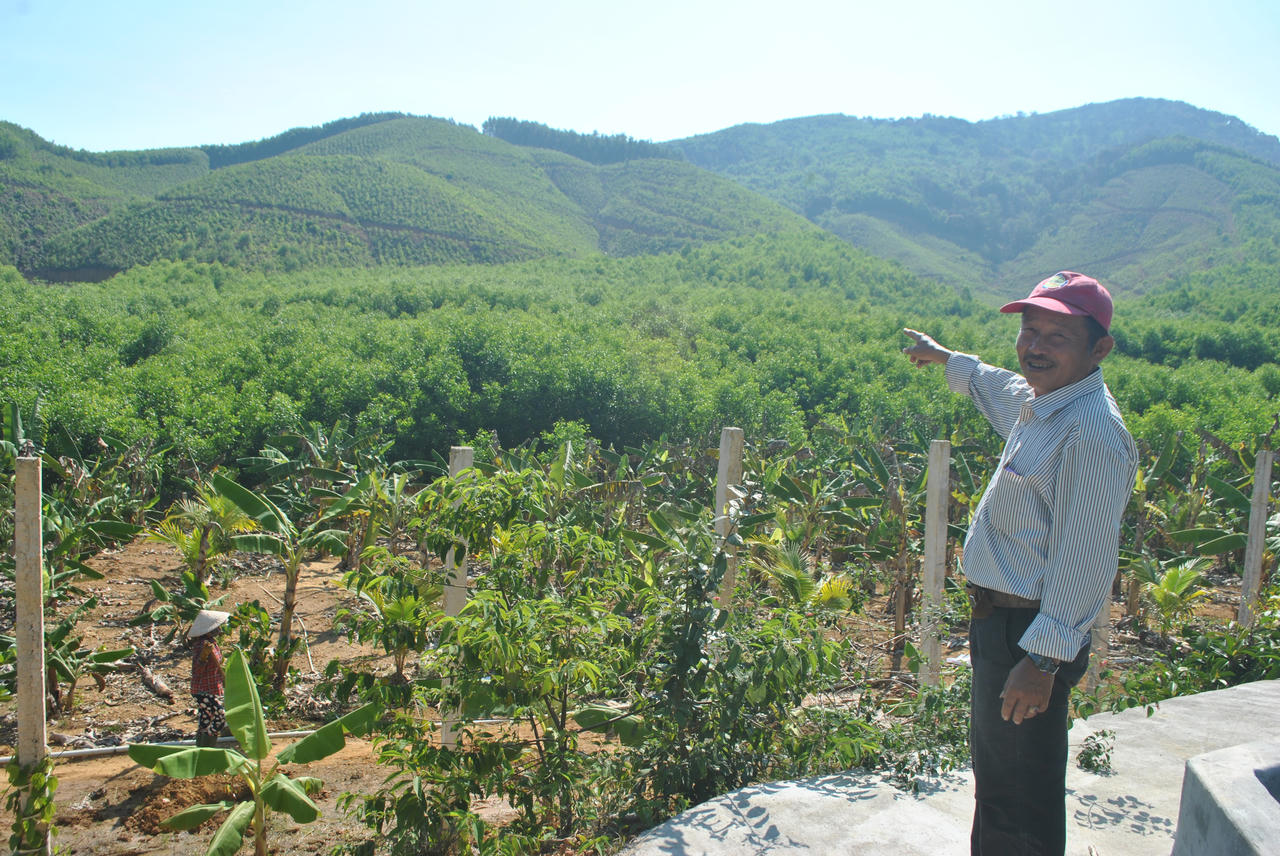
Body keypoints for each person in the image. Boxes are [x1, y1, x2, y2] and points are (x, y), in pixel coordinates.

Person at [902, 271, 1137, 855]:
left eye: (1057, 336)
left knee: (1018, 792)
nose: (1035, 346)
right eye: (1030, 330)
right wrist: (947, 360)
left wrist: (1044, 660)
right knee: (1001, 781)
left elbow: (1086, 557)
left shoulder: (1092, 434)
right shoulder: (1047, 406)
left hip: (1030, 634)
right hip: (1003, 625)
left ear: (1099, 348)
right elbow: (1004, 387)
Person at [189, 609, 230, 748]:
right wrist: (202, 658)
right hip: (202, 689)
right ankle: (207, 743)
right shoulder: (201, 645)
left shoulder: (213, 642)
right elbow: (197, 670)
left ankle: (202, 748)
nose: (218, 629)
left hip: (212, 687)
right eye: (215, 627)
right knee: (220, 717)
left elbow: (217, 664)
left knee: (205, 720)